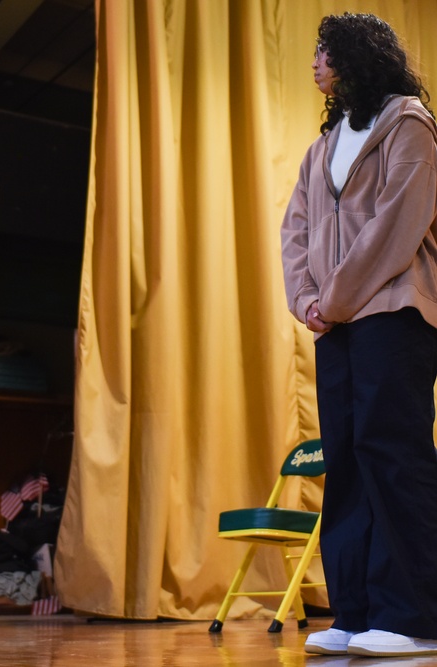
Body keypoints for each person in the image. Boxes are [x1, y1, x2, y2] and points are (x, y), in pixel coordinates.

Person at [281, 13, 437, 658]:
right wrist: (307, 299)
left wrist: (335, 299)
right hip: (338, 322)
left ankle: (414, 616)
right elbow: (294, 230)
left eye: (326, 51)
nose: (315, 61)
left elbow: (398, 225)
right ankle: (355, 610)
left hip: (395, 313)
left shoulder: (411, 125)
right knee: (344, 460)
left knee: (392, 455)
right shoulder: (322, 147)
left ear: (357, 57)